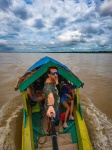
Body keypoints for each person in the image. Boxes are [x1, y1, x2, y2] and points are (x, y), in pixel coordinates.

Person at [43, 66, 60, 134]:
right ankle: (55, 129)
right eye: (53, 73)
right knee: (55, 119)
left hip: (56, 103)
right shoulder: (48, 87)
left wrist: (56, 80)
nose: (55, 75)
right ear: (49, 74)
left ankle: (49, 128)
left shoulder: (52, 79)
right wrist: (50, 106)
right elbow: (50, 96)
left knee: (48, 117)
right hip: (54, 107)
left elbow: (56, 83)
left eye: (57, 73)